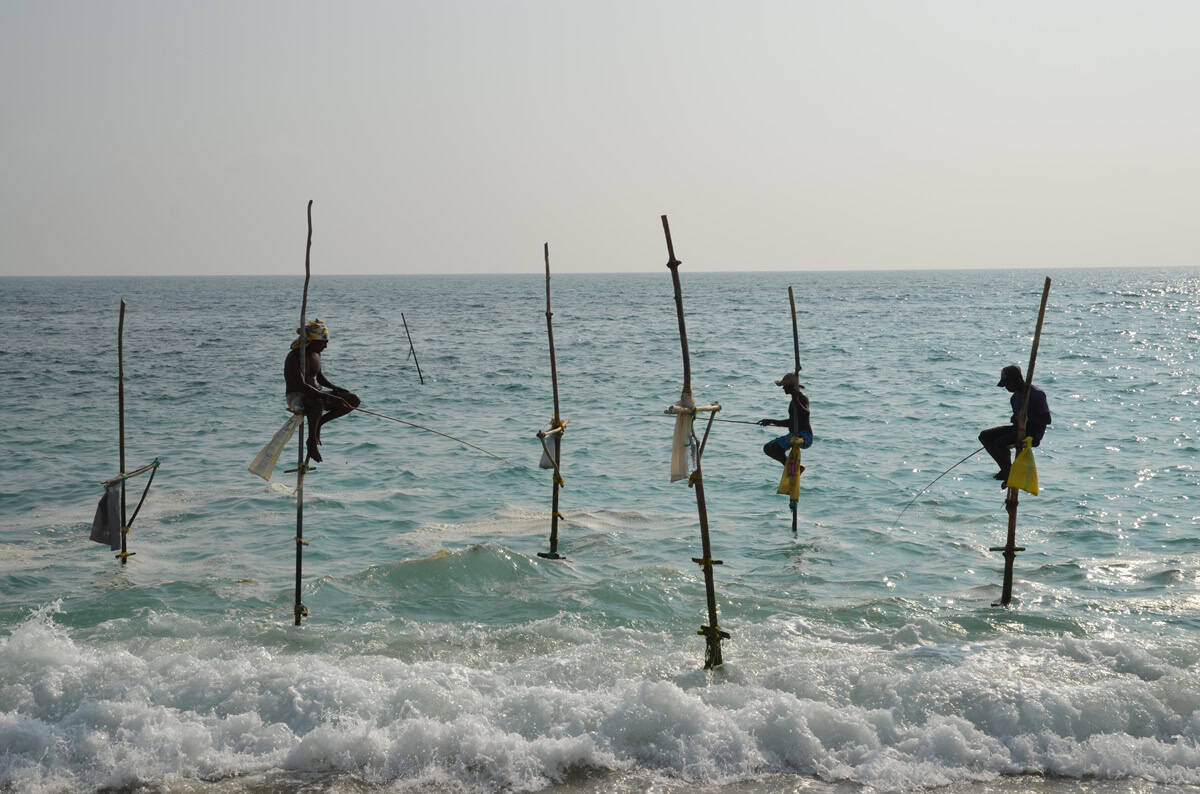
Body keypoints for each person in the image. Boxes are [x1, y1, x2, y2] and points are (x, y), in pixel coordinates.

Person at [283, 319, 360, 463]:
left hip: (315, 395)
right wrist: (326, 396)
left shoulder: (316, 354)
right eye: (323, 342)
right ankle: (311, 441)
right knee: (317, 401)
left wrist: (335, 389)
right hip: (298, 397)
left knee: (353, 399)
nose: (326, 345)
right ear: (312, 341)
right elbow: (301, 385)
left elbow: (319, 376)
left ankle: (320, 423)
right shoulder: (294, 356)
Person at [979, 364, 1051, 482]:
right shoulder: (1014, 398)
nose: (1006, 387)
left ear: (1016, 380)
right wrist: (1015, 418)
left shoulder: (1036, 394)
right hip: (1017, 429)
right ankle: (1006, 469)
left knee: (1000, 442)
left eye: (1007, 384)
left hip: (1032, 433)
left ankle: (1007, 471)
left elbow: (1047, 420)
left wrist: (1026, 417)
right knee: (985, 436)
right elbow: (1016, 419)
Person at [758, 372, 813, 466]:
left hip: (804, 436)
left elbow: (806, 413)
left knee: (774, 447)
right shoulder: (793, 400)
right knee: (768, 448)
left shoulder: (802, 397)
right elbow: (791, 422)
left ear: (790, 386)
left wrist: (797, 401)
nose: (783, 388)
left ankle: (792, 466)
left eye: (784, 385)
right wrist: (771, 421)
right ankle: (790, 465)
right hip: (794, 435)